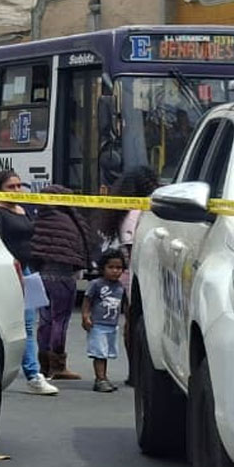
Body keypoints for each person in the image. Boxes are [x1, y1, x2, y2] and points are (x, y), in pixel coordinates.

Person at [0, 170, 60, 396]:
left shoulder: (21, 209)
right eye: (11, 187)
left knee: (28, 324)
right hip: (9, 272)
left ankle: (32, 375)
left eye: (19, 186)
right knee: (11, 323)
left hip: (27, 271)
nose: (17, 191)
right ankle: (25, 373)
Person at [96, 165, 159, 386]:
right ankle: (137, 372)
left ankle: (135, 372)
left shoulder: (124, 209)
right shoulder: (137, 211)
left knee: (131, 323)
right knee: (135, 324)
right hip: (135, 272)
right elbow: (132, 248)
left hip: (128, 272)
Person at [29, 184, 95, 381]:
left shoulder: (39, 219)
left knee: (45, 321)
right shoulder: (67, 220)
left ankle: (44, 365)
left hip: (40, 276)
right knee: (60, 320)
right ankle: (58, 365)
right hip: (63, 276)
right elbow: (78, 248)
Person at [82, 249, 128, 393]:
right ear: (103, 268)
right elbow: (87, 300)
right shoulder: (96, 284)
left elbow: (125, 305)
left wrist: (127, 322)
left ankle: (103, 378)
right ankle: (100, 379)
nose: (115, 271)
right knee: (99, 354)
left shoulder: (121, 287)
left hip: (112, 326)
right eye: (111, 267)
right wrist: (85, 316)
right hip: (98, 325)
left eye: (118, 268)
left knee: (106, 353)